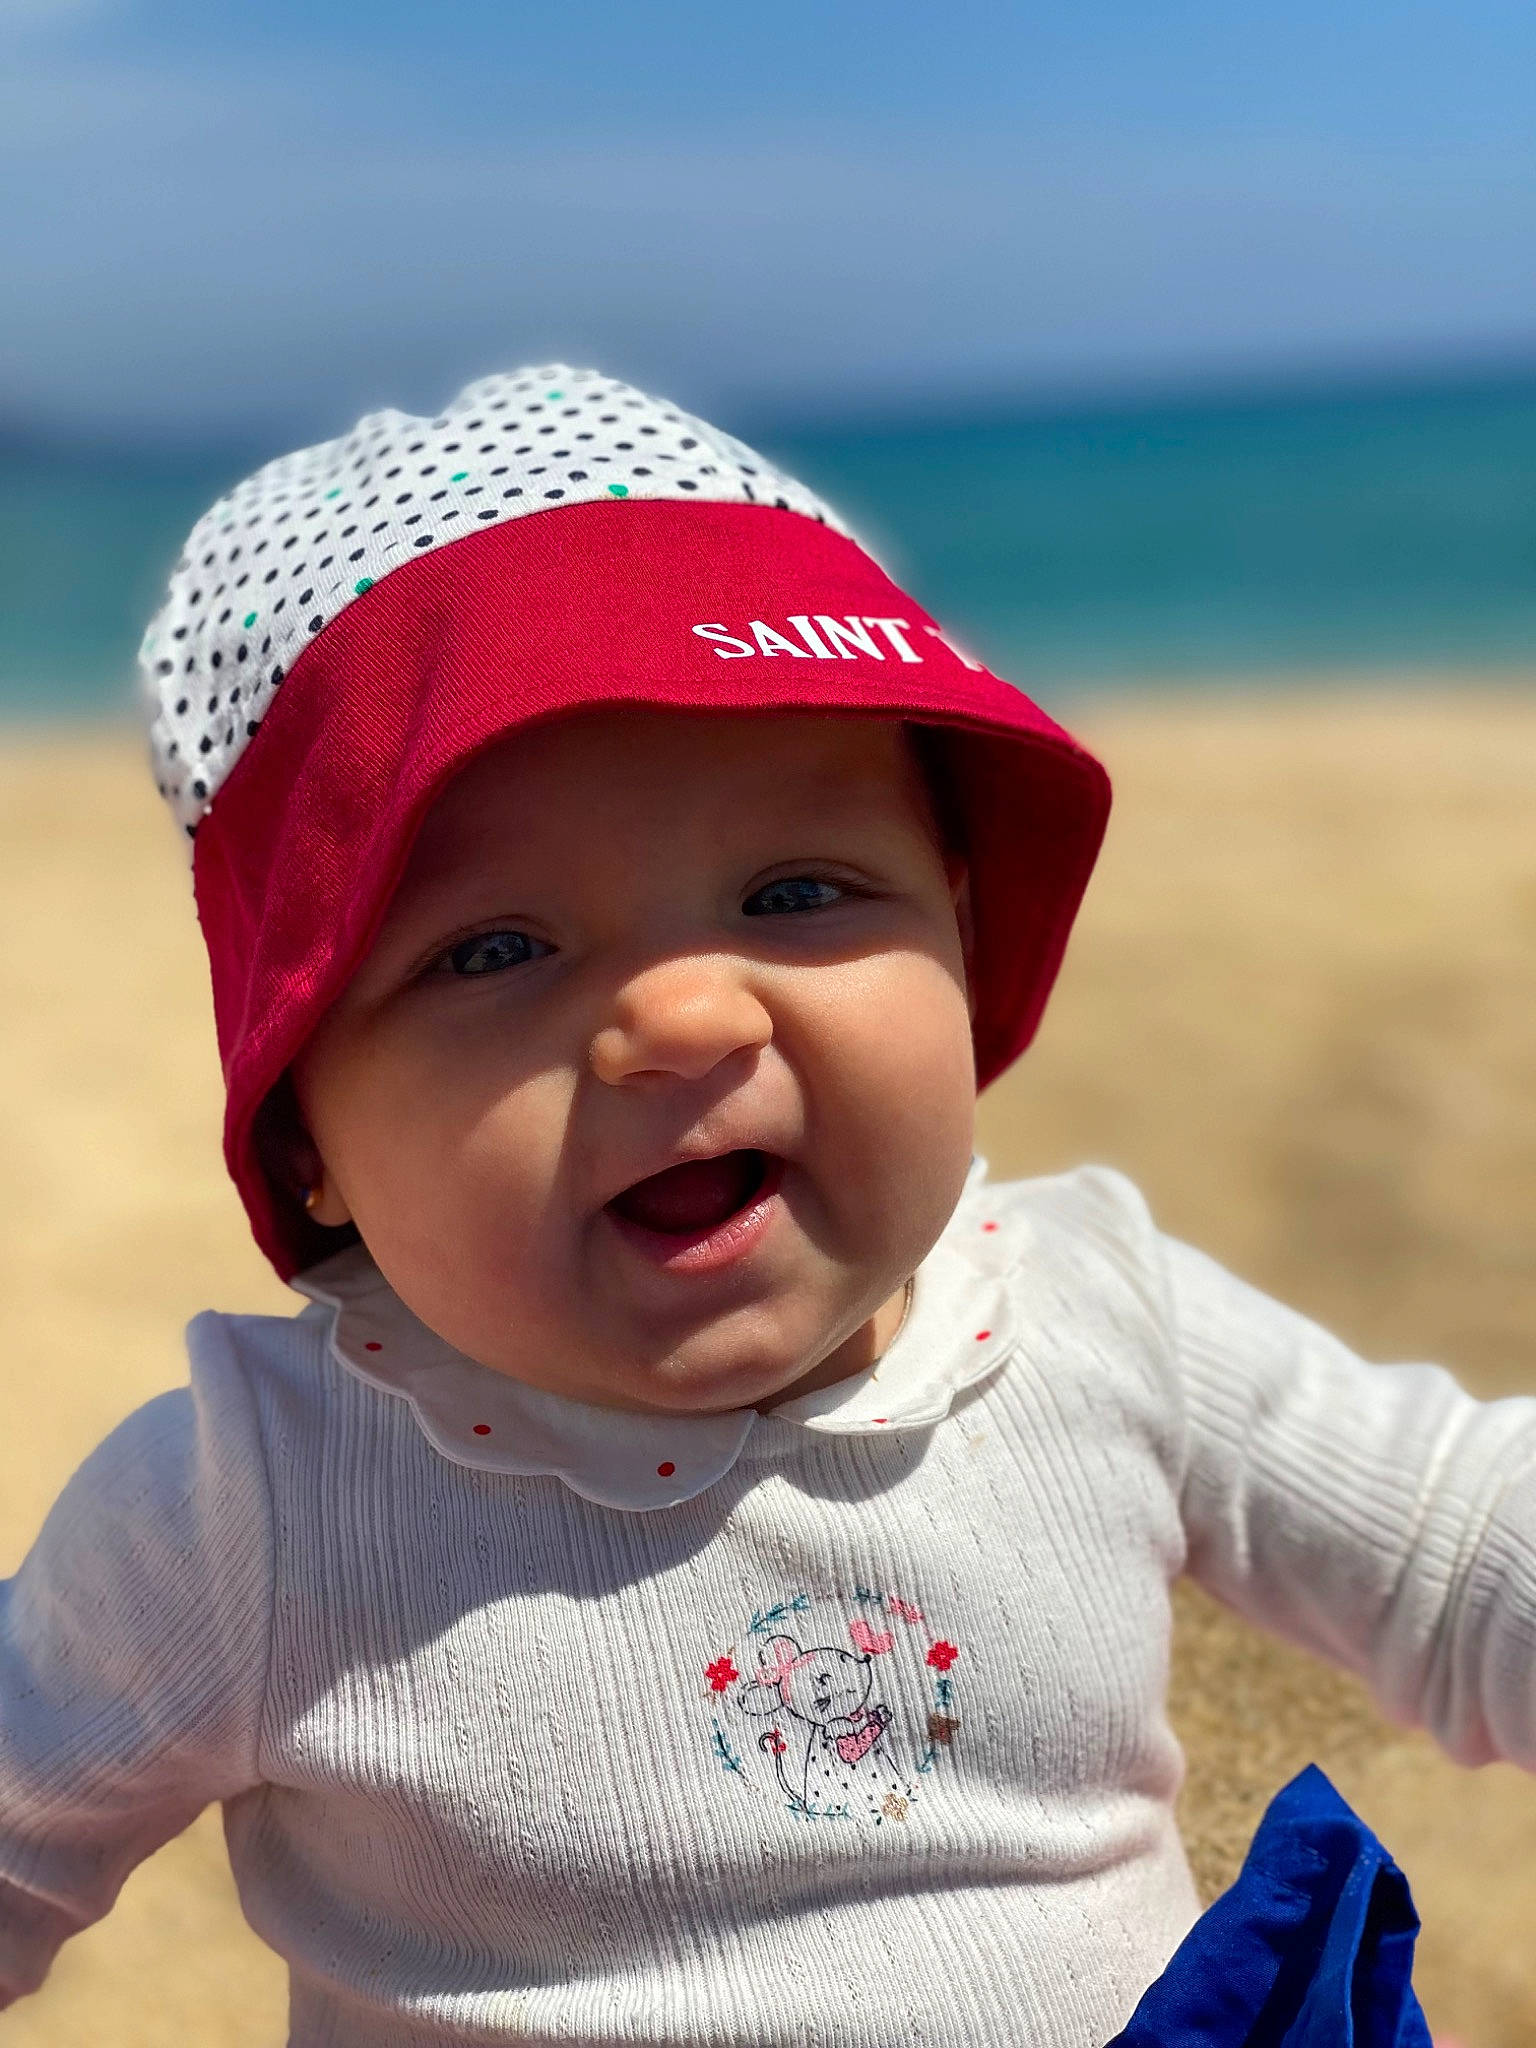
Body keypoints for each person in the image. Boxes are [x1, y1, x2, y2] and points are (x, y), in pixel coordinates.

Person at [0, 363, 1527, 2047]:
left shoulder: (1098, 1319)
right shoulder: (259, 1498)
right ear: (309, 1140)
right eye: (493, 952)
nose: (687, 1019)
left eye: (796, 891)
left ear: (956, 925)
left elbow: (1464, 1553)